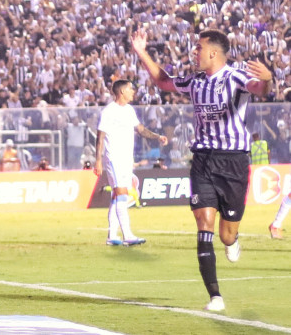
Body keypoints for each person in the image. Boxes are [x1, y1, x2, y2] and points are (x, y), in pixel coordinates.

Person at [132, 29, 272, 312]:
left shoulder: (235, 77)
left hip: (234, 162)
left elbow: (260, 89)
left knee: (226, 235)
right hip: (203, 161)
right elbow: (163, 81)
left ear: (213, 53)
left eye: (198, 48)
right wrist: (141, 52)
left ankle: (232, 241)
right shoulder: (195, 81)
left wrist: (267, 79)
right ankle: (215, 296)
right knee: (203, 223)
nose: (193, 52)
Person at [95, 80, 167, 247]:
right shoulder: (109, 111)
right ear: (121, 92)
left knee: (118, 196)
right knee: (121, 194)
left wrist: (157, 137)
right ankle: (127, 235)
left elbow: (140, 130)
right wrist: (98, 160)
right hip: (114, 158)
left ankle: (112, 235)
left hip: (127, 159)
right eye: (130, 89)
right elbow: (100, 137)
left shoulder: (129, 110)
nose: (133, 92)